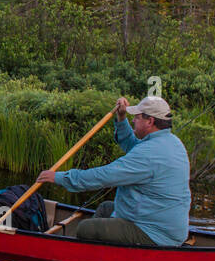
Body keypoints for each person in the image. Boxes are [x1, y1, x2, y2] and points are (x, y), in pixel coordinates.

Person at [36, 95, 190, 246]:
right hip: (163, 224)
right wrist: (121, 118)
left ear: (150, 121)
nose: (134, 120)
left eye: (137, 117)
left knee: (85, 228)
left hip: (155, 234)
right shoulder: (172, 142)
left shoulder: (149, 153)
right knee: (105, 208)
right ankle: (95, 248)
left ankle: (84, 253)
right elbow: (133, 147)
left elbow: (103, 176)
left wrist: (60, 177)